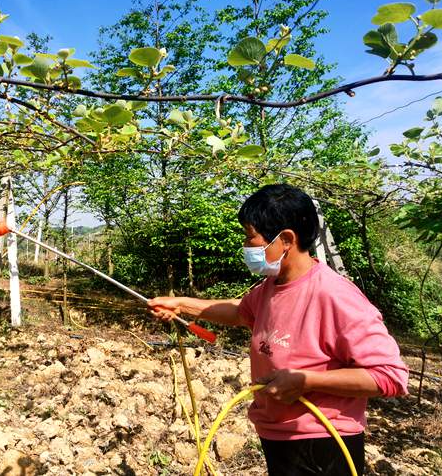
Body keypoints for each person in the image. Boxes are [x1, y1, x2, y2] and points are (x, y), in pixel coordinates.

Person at [148, 184, 408, 476]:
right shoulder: (271, 287)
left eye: (251, 237)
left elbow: (390, 376)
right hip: (277, 434)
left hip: (323, 442)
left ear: (285, 240)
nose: (246, 246)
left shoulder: (334, 295)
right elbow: (239, 312)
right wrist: (180, 304)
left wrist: (305, 380)